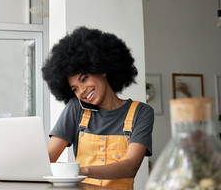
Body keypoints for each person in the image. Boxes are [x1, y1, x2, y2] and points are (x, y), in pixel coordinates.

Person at [42, 26, 154, 189]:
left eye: (84, 79)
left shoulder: (141, 112)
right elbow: (49, 156)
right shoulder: (76, 108)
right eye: (74, 88)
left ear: (101, 70)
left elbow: (131, 166)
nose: (82, 91)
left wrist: (80, 171)